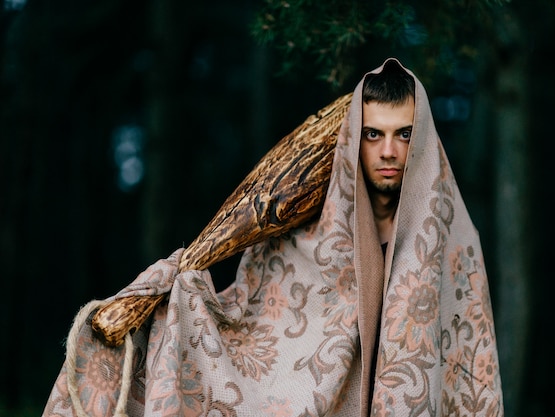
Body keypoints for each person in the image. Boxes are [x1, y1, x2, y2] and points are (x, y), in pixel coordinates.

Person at [44, 58, 503, 417]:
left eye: (404, 135)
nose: (388, 151)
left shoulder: (455, 246)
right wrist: (177, 297)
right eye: (373, 134)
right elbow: (252, 334)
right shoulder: (297, 241)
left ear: (421, 140)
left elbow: (466, 370)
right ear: (352, 142)